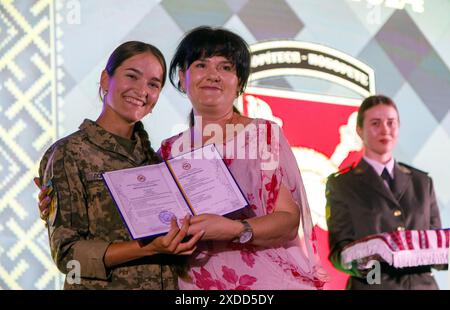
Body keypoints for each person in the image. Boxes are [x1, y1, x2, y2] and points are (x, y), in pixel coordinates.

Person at [158, 26, 327, 290]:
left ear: (239, 82)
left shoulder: (262, 135)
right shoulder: (169, 151)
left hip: (264, 283)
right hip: (194, 284)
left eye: (226, 68)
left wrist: (234, 229)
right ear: (182, 77)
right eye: (201, 65)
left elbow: (288, 222)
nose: (213, 75)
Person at [36, 41, 203, 289]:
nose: (141, 90)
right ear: (105, 80)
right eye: (132, 76)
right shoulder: (69, 153)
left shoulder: (157, 162)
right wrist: (147, 248)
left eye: (153, 84)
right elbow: (68, 255)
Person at [326, 94, 443, 290]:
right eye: (375, 123)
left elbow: (436, 242)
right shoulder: (343, 185)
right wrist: (364, 261)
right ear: (359, 130)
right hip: (373, 285)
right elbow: (339, 252)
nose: (385, 130)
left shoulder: (422, 182)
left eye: (391, 122)